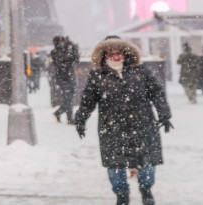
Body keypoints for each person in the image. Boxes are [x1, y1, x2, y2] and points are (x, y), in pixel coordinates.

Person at [73, 37, 172, 205]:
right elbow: (88, 100)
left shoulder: (140, 71)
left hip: (142, 123)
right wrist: (81, 119)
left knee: (146, 159)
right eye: (111, 53)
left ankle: (146, 190)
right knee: (115, 163)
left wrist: (164, 113)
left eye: (119, 53)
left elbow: (156, 92)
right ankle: (121, 195)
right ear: (104, 55)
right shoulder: (97, 75)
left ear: (125, 54)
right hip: (112, 127)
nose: (116, 57)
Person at [50, 36, 78, 124]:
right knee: (68, 99)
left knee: (69, 99)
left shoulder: (67, 50)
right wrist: (68, 48)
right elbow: (63, 62)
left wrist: (73, 47)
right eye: (61, 41)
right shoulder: (55, 52)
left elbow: (76, 59)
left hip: (70, 77)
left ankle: (58, 113)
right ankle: (70, 119)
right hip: (62, 78)